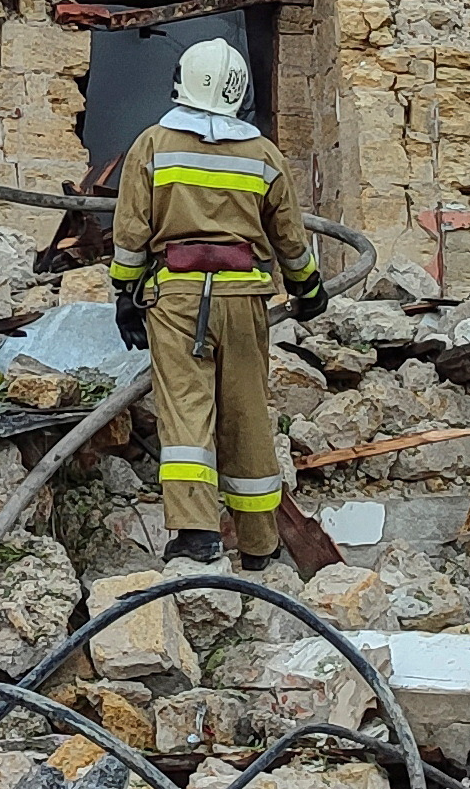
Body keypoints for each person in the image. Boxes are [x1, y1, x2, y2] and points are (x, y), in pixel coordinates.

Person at [110, 38, 329, 570]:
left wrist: (124, 293)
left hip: (177, 300)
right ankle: (259, 544)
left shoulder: (153, 145)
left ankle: (196, 535)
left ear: (183, 82)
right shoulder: (263, 154)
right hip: (244, 299)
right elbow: (290, 238)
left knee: (186, 415)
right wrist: (309, 289)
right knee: (249, 416)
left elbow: (132, 230)